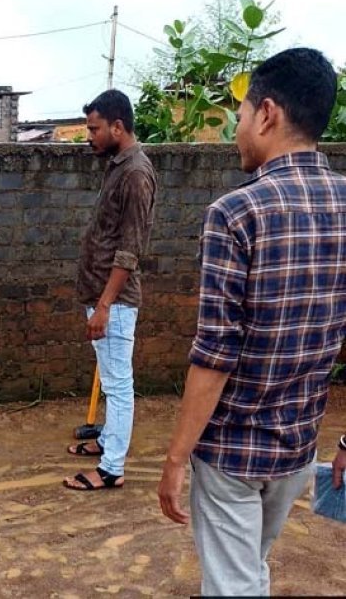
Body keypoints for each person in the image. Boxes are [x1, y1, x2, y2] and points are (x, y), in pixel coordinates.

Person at [157, 48, 345, 596]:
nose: (236, 129)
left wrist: (175, 458)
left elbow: (215, 351)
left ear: (266, 114)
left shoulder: (235, 213)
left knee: (234, 586)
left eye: (239, 114)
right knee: (248, 570)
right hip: (298, 446)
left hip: (232, 452)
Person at [63, 89, 157, 491]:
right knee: (113, 375)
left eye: (94, 128)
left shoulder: (135, 173)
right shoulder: (118, 165)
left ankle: (111, 469)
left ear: (118, 127)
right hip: (103, 297)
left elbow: (130, 250)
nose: (89, 136)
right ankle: (106, 443)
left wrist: (104, 305)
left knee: (119, 384)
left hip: (113, 301)